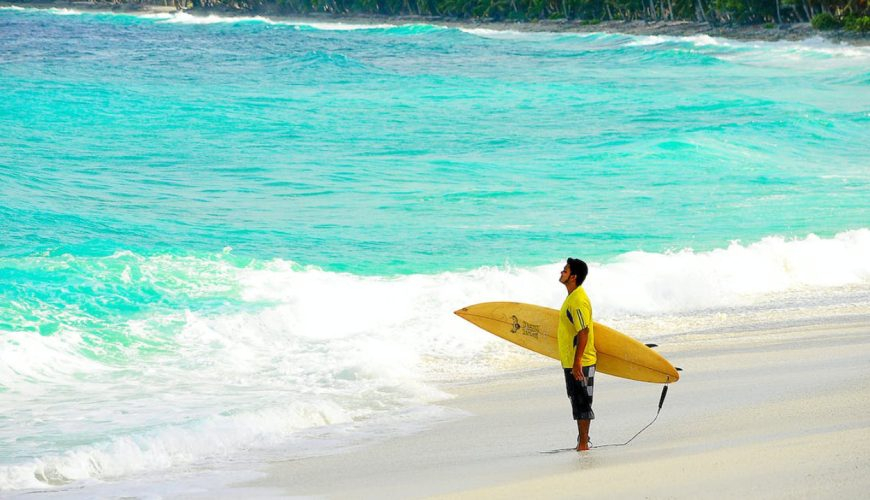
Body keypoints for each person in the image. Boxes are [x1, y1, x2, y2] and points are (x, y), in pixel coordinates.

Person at [557, 257, 596, 451]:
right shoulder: (572, 297)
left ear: (573, 276)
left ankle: (583, 444)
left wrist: (578, 361)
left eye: (565, 270)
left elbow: (584, 331)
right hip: (571, 360)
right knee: (576, 399)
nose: (561, 273)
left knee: (582, 402)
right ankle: (582, 441)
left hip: (581, 361)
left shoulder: (578, 300)